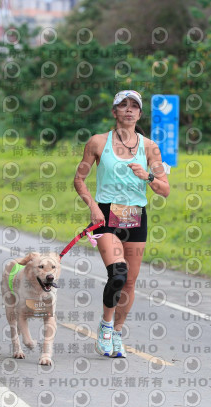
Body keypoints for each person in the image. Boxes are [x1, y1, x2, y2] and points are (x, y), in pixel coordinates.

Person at [74, 90, 170, 357]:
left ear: (140, 114)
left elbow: (165, 189)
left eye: (134, 106)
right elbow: (79, 179)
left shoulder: (150, 147)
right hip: (106, 215)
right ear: (114, 111)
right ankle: (105, 327)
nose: (129, 110)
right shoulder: (97, 142)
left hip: (136, 216)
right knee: (117, 274)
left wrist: (147, 176)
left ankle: (117, 332)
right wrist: (93, 207)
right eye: (123, 105)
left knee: (130, 281)